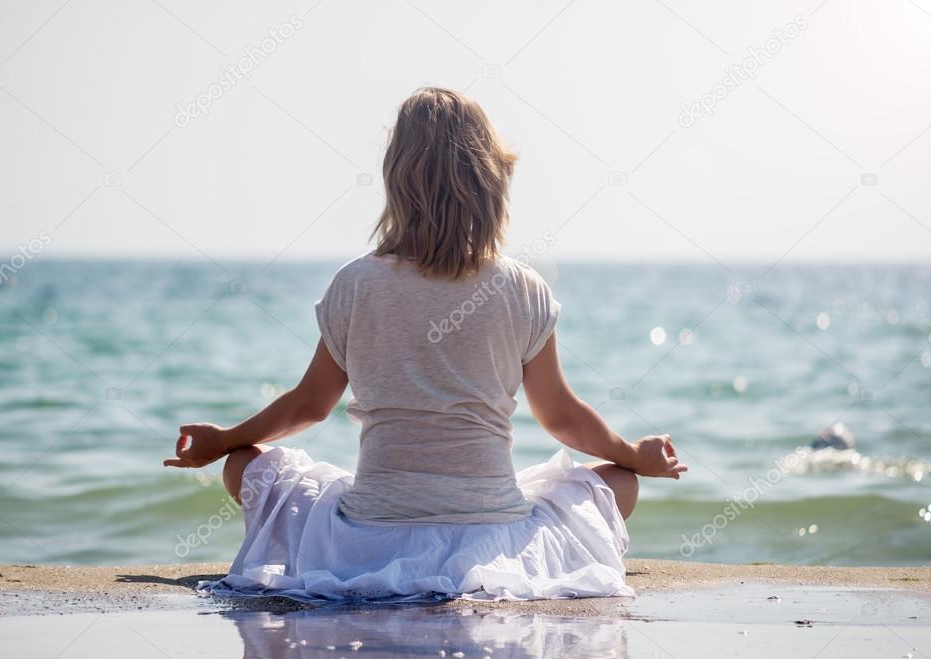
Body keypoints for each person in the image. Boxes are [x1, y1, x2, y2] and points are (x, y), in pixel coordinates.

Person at [165, 86, 687, 604]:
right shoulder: (522, 287)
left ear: (397, 181)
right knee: (619, 484)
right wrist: (631, 454)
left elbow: (308, 406)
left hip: (369, 533)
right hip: (491, 530)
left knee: (244, 468)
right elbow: (562, 418)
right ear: (490, 181)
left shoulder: (355, 284)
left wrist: (226, 440)